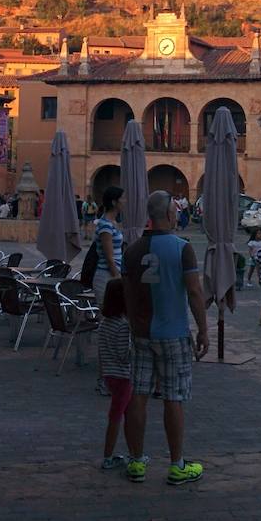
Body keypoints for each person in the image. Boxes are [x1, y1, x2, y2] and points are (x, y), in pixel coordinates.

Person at [122, 190, 209, 486]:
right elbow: (195, 292)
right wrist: (204, 329)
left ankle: (135, 462)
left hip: (142, 333)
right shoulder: (182, 248)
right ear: (171, 215)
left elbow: (128, 292)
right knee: (174, 397)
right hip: (173, 334)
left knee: (138, 395)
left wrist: (134, 324)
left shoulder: (131, 251)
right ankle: (177, 464)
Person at [97, 278, 134, 471]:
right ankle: (108, 456)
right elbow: (124, 356)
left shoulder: (104, 324)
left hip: (110, 375)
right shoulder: (122, 327)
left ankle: (133, 452)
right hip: (123, 376)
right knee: (117, 416)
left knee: (127, 414)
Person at [93, 187, 125, 301]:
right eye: (122, 198)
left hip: (113, 274)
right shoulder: (105, 225)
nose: (125, 201)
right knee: (108, 315)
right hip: (107, 276)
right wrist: (117, 277)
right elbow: (109, 257)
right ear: (114, 202)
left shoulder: (113, 223)